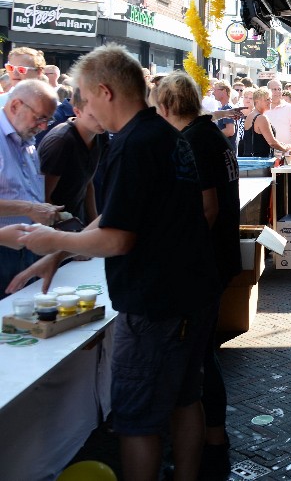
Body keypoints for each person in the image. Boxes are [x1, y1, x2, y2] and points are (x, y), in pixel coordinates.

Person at [11, 44, 220, 481]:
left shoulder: (133, 143)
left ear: (104, 91)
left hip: (155, 305)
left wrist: (49, 237)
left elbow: (119, 238)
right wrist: (61, 250)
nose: (82, 108)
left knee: (136, 419)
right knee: (186, 398)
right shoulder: (165, 136)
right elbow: (120, 214)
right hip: (192, 294)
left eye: (83, 99)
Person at [154, 71, 241, 477]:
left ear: (168, 105)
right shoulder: (212, 135)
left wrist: (177, 254)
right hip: (219, 259)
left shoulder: (193, 140)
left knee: (197, 357)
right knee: (202, 354)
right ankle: (213, 438)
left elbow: (206, 209)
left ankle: (213, 441)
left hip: (207, 263)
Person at [0, 80, 61, 294]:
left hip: (28, 244)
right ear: (15, 105)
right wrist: (28, 208)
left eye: (48, 119)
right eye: (40, 118)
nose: (44, 126)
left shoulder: (24, 135)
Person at [38, 87, 108, 224]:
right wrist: (64, 225)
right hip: (56, 226)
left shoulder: (100, 136)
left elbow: (88, 183)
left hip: (78, 219)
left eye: (104, 113)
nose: (101, 120)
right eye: (93, 115)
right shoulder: (61, 141)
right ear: (77, 111)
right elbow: (44, 196)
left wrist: (94, 222)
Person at [238, 88, 291, 158]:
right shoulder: (261, 118)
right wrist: (287, 149)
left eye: (270, 99)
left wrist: (285, 146)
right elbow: (272, 143)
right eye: (267, 100)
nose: (270, 102)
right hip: (259, 162)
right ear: (257, 101)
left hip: (251, 160)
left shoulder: (250, 115)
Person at [264, 79, 291, 146]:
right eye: (274, 89)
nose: (277, 92)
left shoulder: (290, 108)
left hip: (285, 153)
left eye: (279, 89)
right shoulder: (263, 108)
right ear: (268, 91)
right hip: (265, 152)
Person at [211, 80, 237, 152]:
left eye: (215, 90)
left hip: (227, 151)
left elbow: (230, 131)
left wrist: (212, 135)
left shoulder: (227, 108)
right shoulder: (226, 107)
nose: (213, 93)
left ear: (224, 91)